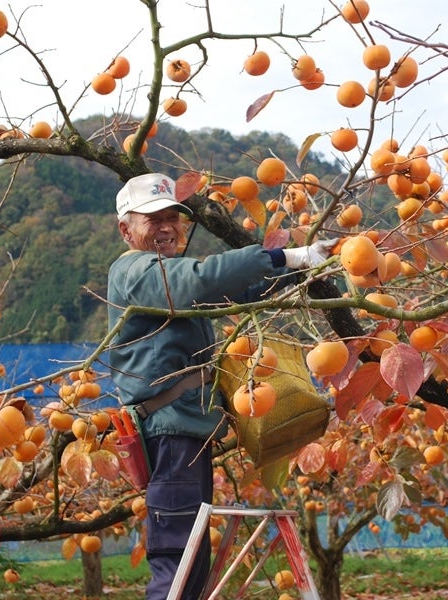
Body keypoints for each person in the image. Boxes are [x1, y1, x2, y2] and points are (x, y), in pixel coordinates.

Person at [107, 172, 334, 599]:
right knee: (177, 563)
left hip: (187, 431)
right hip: (171, 433)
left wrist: (301, 266)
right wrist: (289, 254)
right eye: (152, 219)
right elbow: (203, 279)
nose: (167, 226)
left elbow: (238, 291)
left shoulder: (171, 282)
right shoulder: (137, 271)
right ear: (126, 229)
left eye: (173, 217)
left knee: (190, 565)